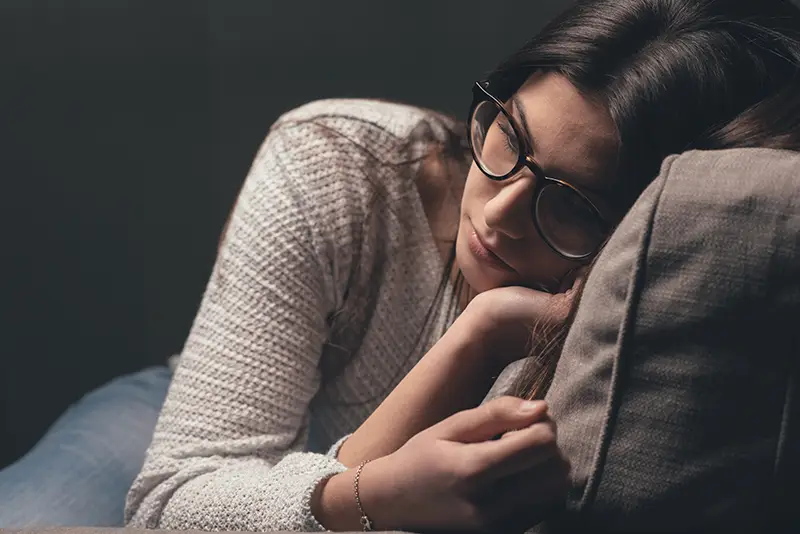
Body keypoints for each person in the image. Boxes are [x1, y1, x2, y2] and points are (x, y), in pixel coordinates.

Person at [2, 0, 800, 531]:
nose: (499, 209)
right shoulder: (340, 161)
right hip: (212, 414)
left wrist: (484, 340)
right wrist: (383, 483)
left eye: (572, 202)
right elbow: (175, 502)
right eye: (509, 135)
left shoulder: (643, 301)